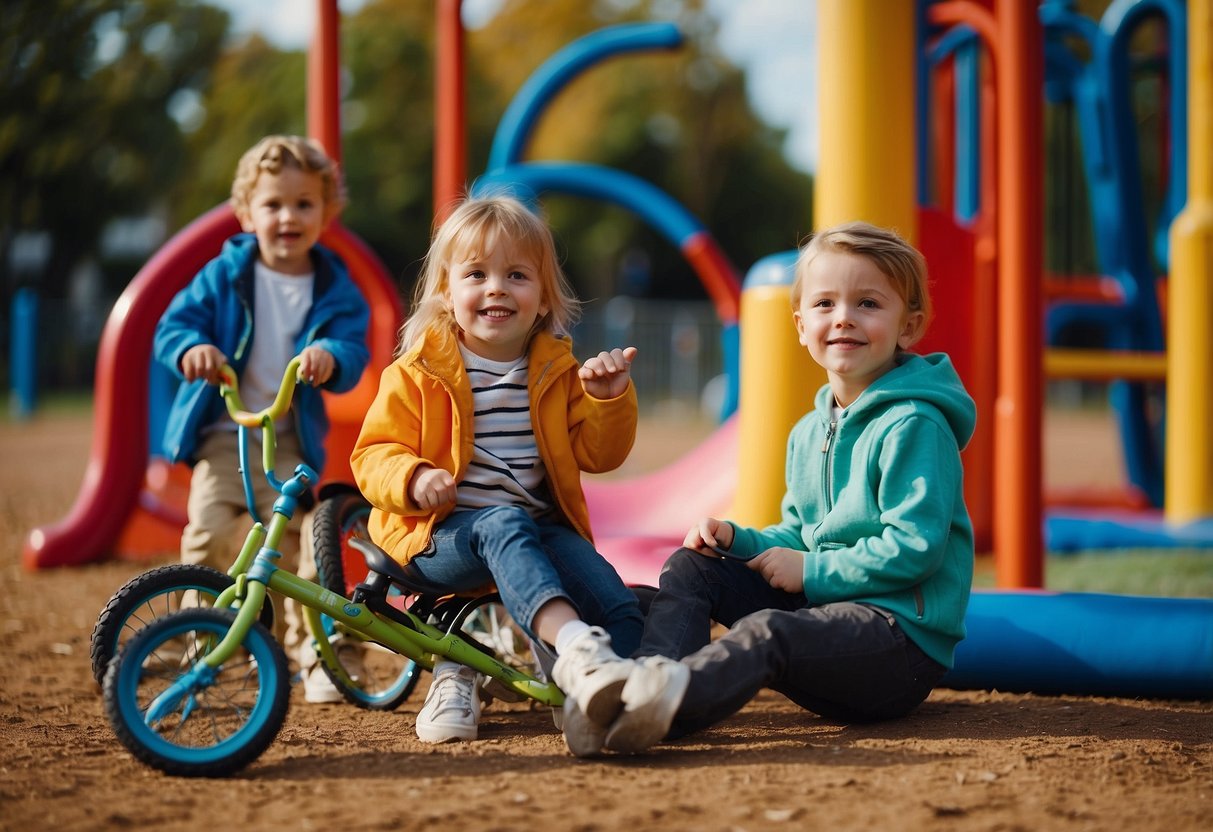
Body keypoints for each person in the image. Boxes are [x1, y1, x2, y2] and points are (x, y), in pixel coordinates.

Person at [597, 220, 976, 755]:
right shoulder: (809, 430)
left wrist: (812, 570)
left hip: (896, 645)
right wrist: (738, 539)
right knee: (693, 565)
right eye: (825, 304)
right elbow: (801, 534)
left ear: (908, 326)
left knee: (768, 631)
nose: (843, 317)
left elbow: (914, 548)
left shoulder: (914, 424)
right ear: (800, 325)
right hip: (826, 615)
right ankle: (643, 684)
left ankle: (665, 707)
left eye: (868, 303)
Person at [349, 194, 662, 755]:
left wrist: (608, 400)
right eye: (476, 274)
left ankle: (612, 702)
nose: (496, 287)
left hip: (537, 529)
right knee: (501, 523)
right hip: (438, 535)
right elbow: (372, 453)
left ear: (543, 298)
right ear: (447, 292)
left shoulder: (560, 371)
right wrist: (414, 477)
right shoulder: (417, 372)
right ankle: (578, 654)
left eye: (517, 275)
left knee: (612, 600)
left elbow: (599, 455)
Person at [154, 135, 370, 704]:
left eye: (304, 204)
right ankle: (199, 639)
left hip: (289, 437)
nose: (288, 217)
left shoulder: (333, 283)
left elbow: (352, 342)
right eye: (273, 205)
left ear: (327, 213)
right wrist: (191, 350)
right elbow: (174, 327)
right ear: (247, 213)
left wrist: (331, 356)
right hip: (229, 433)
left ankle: (317, 652)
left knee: (303, 547)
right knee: (206, 532)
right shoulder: (224, 275)